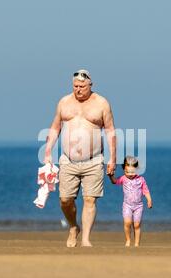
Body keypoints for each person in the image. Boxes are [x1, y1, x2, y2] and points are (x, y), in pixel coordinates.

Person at [44, 69, 116, 247]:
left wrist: (112, 158)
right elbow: (54, 128)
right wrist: (47, 152)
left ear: (90, 84)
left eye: (82, 86)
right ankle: (73, 227)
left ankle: (85, 239)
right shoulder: (64, 102)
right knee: (65, 200)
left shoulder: (102, 103)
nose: (78, 89)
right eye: (75, 86)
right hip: (68, 160)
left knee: (90, 199)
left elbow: (110, 131)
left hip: (94, 160)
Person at [108, 156, 152, 247]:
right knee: (127, 223)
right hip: (127, 205)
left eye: (132, 172)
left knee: (137, 225)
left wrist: (149, 200)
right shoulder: (123, 178)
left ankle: (137, 243)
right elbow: (114, 181)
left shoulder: (141, 179)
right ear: (124, 169)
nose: (130, 174)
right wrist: (111, 176)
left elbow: (146, 191)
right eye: (127, 171)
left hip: (138, 206)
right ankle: (128, 240)